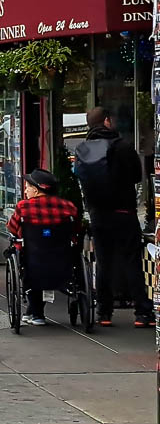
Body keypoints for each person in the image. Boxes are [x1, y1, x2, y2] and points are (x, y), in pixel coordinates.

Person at [75, 107, 153, 327]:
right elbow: (138, 176)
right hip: (124, 212)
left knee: (103, 262)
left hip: (98, 214)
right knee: (131, 261)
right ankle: (142, 312)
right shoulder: (123, 147)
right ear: (107, 121)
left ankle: (104, 312)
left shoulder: (82, 149)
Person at [5, 169, 79, 326]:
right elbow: (76, 229)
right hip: (62, 260)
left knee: (29, 266)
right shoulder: (68, 207)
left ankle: (37, 313)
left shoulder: (24, 207)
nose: (25, 191)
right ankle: (34, 311)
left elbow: (12, 228)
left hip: (33, 258)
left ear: (36, 190)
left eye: (27, 187)